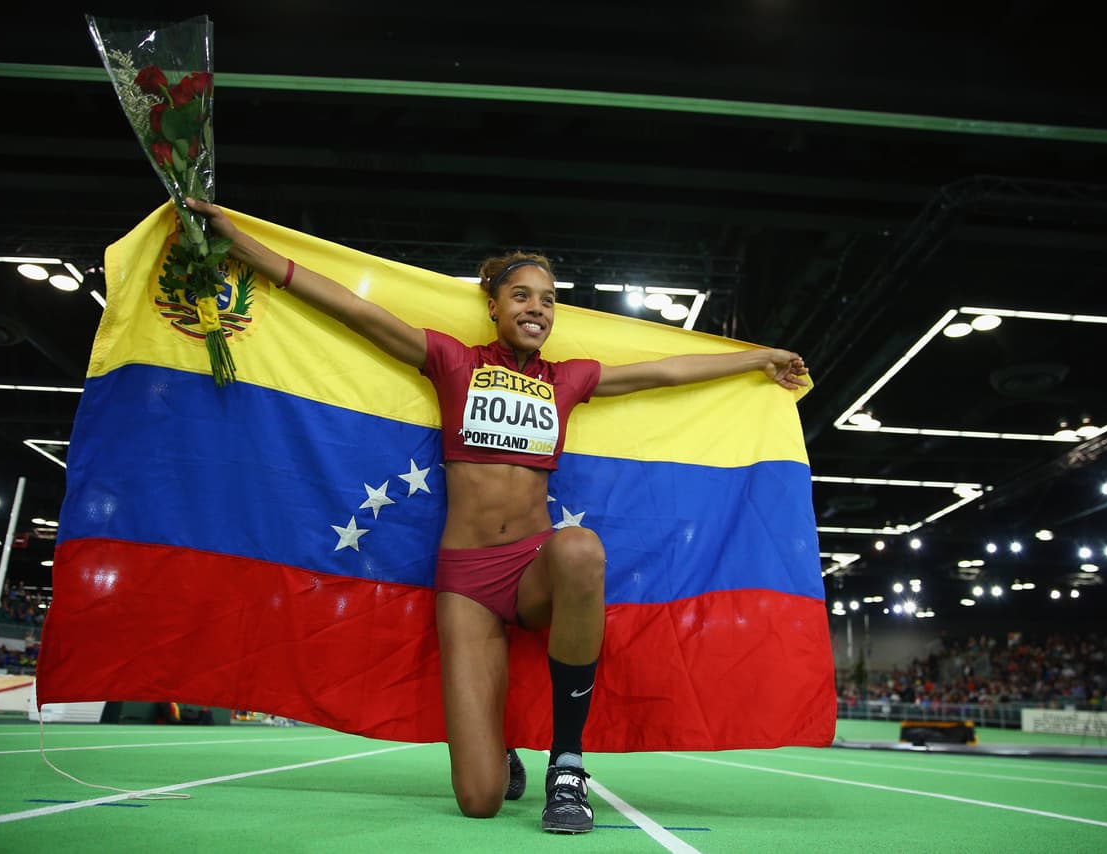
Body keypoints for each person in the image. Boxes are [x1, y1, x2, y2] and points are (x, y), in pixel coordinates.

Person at [185, 197, 809, 834]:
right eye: (521, 296)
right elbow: (355, 309)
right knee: (479, 799)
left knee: (582, 548)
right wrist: (240, 245)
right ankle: (501, 751)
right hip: (467, 581)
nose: (536, 307)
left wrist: (757, 358)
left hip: (536, 565)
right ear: (493, 305)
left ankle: (567, 765)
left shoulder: (568, 380)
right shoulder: (454, 362)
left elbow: (665, 371)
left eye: (547, 300)